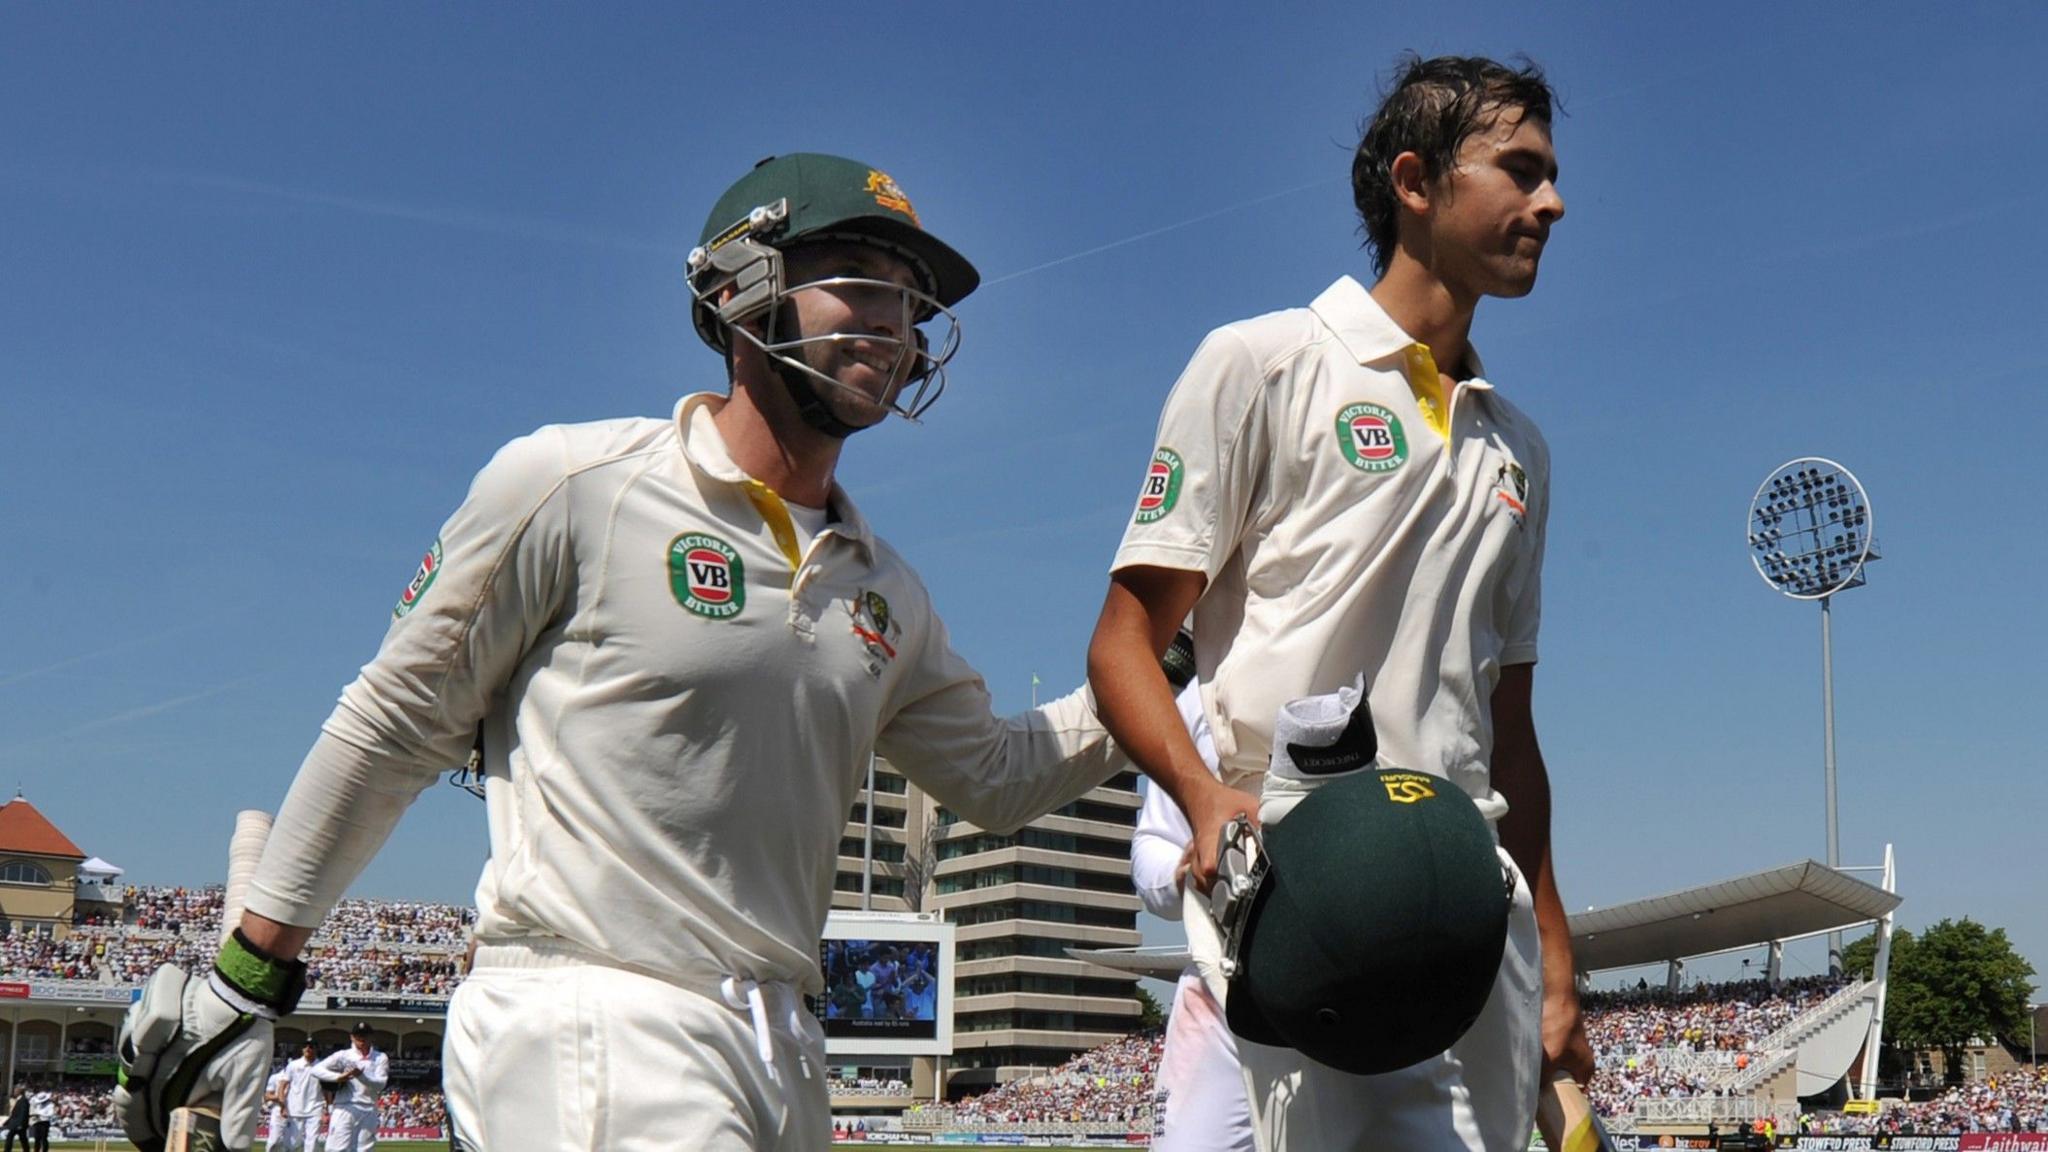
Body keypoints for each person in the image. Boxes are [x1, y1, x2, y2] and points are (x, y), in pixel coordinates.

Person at [115, 151, 1136, 1152]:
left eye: (910, 304)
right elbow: (394, 725)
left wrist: (1157, 661)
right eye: (860, 285)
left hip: (783, 1039)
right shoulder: (574, 485)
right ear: (743, 290)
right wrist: (248, 974)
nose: (894, 325)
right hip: (595, 1007)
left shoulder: (886, 592)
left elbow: (997, 776)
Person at [1086, 54, 1590, 1151]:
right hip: (1309, 899)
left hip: (1468, 908)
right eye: (1517, 169)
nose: (1549, 201)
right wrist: (1200, 793)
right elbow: (1124, 645)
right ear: (1413, 182)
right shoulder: (1260, 365)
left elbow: (1508, 730)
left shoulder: (1520, 449)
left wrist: (1551, 952)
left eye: (1549, 174)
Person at [1130, 682, 1255, 1152]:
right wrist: (1183, 872)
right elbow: (1152, 846)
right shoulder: (1202, 693)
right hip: (1220, 985)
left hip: (1370, 977)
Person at [311, 1024, 387, 1152]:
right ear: (351, 1037)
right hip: (344, 1106)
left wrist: (361, 1076)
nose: (361, 1038)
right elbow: (316, 1070)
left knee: (364, 1150)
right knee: (335, 1149)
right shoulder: (343, 1055)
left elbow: (381, 1084)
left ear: (371, 1037)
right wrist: (338, 1077)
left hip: (368, 1107)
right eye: (358, 1035)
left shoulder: (380, 1057)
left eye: (365, 1035)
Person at [285, 1039, 328, 1152]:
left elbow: (327, 1090)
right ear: (302, 1049)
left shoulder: (322, 1066)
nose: (308, 1048)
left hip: (315, 1109)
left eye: (311, 1046)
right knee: (293, 1144)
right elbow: (283, 1085)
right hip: (295, 1109)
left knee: (312, 1144)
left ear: (316, 1049)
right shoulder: (293, 1065)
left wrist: (327, 1109)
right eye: (305, 1046)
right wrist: (282, 1105)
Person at [262, 1063, 291, 1152]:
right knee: (274, 1140)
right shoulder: (275, 1077)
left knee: (289, 1143)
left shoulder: (299, 1077)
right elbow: (267, 1096)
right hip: (278, 1110)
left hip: (295, 1112)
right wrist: (280, 1096)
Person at [23, 1085, 48, 1152]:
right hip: (37, 1121)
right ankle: (36, 1150)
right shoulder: (33, 1100)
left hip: (44, 1120)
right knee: (37, 1138)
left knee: (43, 1138)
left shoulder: (45, 1100)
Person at [0, 1085, 23, 1152]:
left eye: (15, 1091)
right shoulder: (13, 1100)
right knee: (16, 1138)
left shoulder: (21, 1100)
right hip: (14, 1122)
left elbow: (21, 1113)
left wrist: (20, 1123)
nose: (14, 1092)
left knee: (21, 1139)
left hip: (17, 1122)